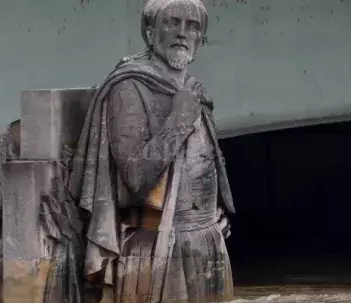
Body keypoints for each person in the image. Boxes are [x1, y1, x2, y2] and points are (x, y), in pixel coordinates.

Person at [68, 0, 236, 302]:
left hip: (207, 241)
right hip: (157, 246)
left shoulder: (194, 89)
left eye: (193, 26)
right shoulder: (129, 88)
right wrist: (178, 121)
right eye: (172, 22)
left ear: (201, 40)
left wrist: (214, 212)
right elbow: (134, 175)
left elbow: (206, 160)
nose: (182, 33)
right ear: (149, 32)